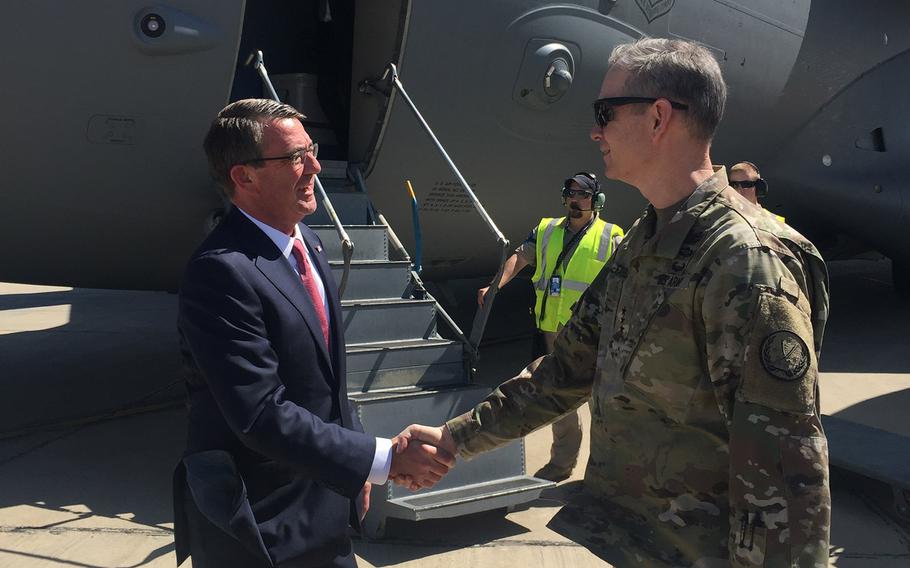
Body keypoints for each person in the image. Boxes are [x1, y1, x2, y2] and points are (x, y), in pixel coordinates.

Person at [397, 38, 831, 567]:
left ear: (658, 117)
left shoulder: (744, 261)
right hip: (640, 545)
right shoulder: (644, 241)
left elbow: (786, 469)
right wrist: (452, 439)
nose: (594, 130)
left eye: (604, 112)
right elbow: (563, 372)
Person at [172, 99, 454, 568]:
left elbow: (326, 385)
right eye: (295, 158)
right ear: (244, 177)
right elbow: (261, 413)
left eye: (312, 150)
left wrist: (355, 469)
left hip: (324, 507)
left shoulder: (311, 245)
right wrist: (379, 458)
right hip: (258, 527)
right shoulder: (221, 272)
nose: (317, 167)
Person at [477, 172, 623, 482]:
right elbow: (521, 256)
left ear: (596, 200)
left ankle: (606, 473)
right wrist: (495, 286)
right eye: (571, 193)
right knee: (559, 400)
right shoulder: (546, 230)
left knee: (602, 403)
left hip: (592, 333)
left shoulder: (611, 236)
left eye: (582, 194)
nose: (575, 199)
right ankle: (561, 464)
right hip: (551, 331)